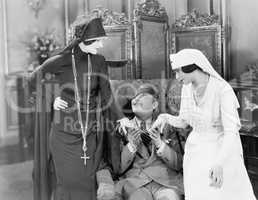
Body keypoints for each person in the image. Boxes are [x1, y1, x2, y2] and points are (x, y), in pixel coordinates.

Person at [30, 15, 122, 200]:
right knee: (67, 184)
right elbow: (33, 80)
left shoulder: (99, 61)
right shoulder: (60, 60)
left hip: (90, 132)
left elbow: (107, 96)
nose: (101, 46)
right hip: (63, 135)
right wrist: (50, 99)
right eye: (98, 41)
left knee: (88, 184)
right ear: (85, 40)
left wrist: (122, 118)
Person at [151, 49, 256, 200]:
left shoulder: (222, 90)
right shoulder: (187, 88)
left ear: (191, 67)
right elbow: (184, 121)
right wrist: (165, 117)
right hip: (195, 151)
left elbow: (231, 132)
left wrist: (220, 163)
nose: (177, 77)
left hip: (221, 151)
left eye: (179, 72)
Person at [115, 84, 186, 200]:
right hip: (135, 183)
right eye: (134, 97)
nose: (136, 99)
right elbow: (117, 168)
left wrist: (160, 144)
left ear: (154, 104)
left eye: (141, 95)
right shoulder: (122, 128)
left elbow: (179, 164)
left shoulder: (168, 126)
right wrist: (131, 146)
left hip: (166, 182)